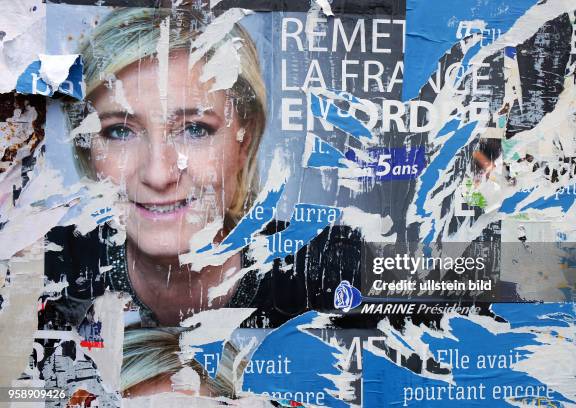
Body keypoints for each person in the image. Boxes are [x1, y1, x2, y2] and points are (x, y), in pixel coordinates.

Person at [43, 6, 363, 329]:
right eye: (120, 131)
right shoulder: (44, 271)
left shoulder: (332, 269)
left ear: (244, 142)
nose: (158, 174)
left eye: (195, 129)